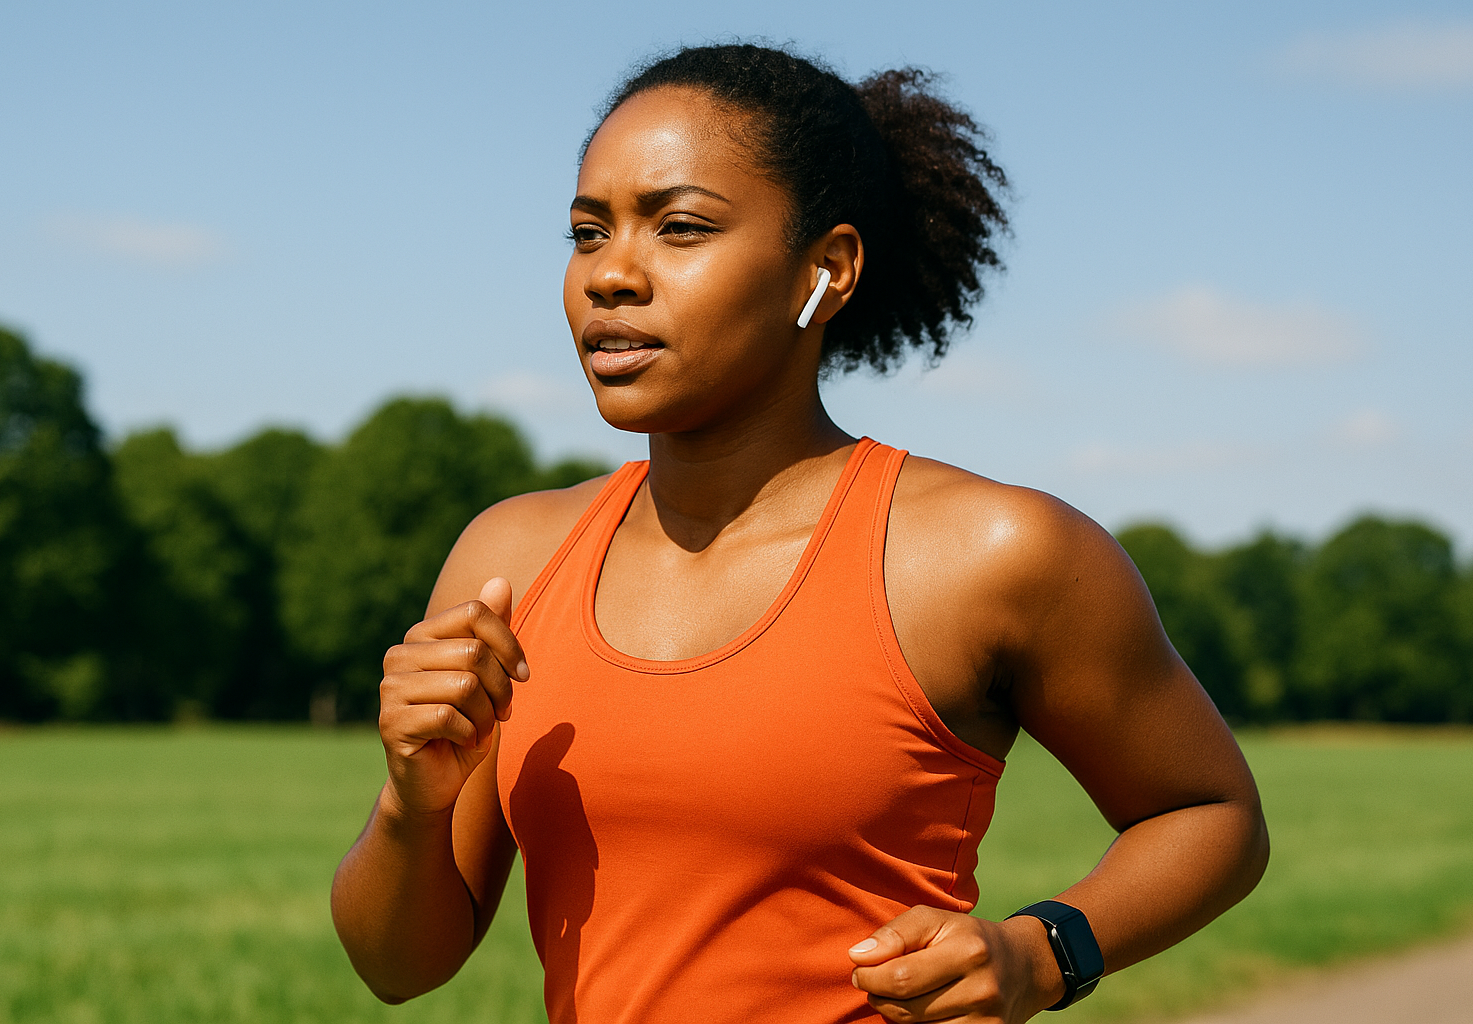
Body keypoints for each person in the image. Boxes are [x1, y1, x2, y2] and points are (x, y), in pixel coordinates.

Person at [330, 43, 1269, 1024]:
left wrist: (1043, 953)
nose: (610, 274)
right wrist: (411, 800)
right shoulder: (510, 559)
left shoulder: (990, 554)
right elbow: (398, 967)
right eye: (587, 233)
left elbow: (1214, 815)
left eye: (680, 227)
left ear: (826, 270)